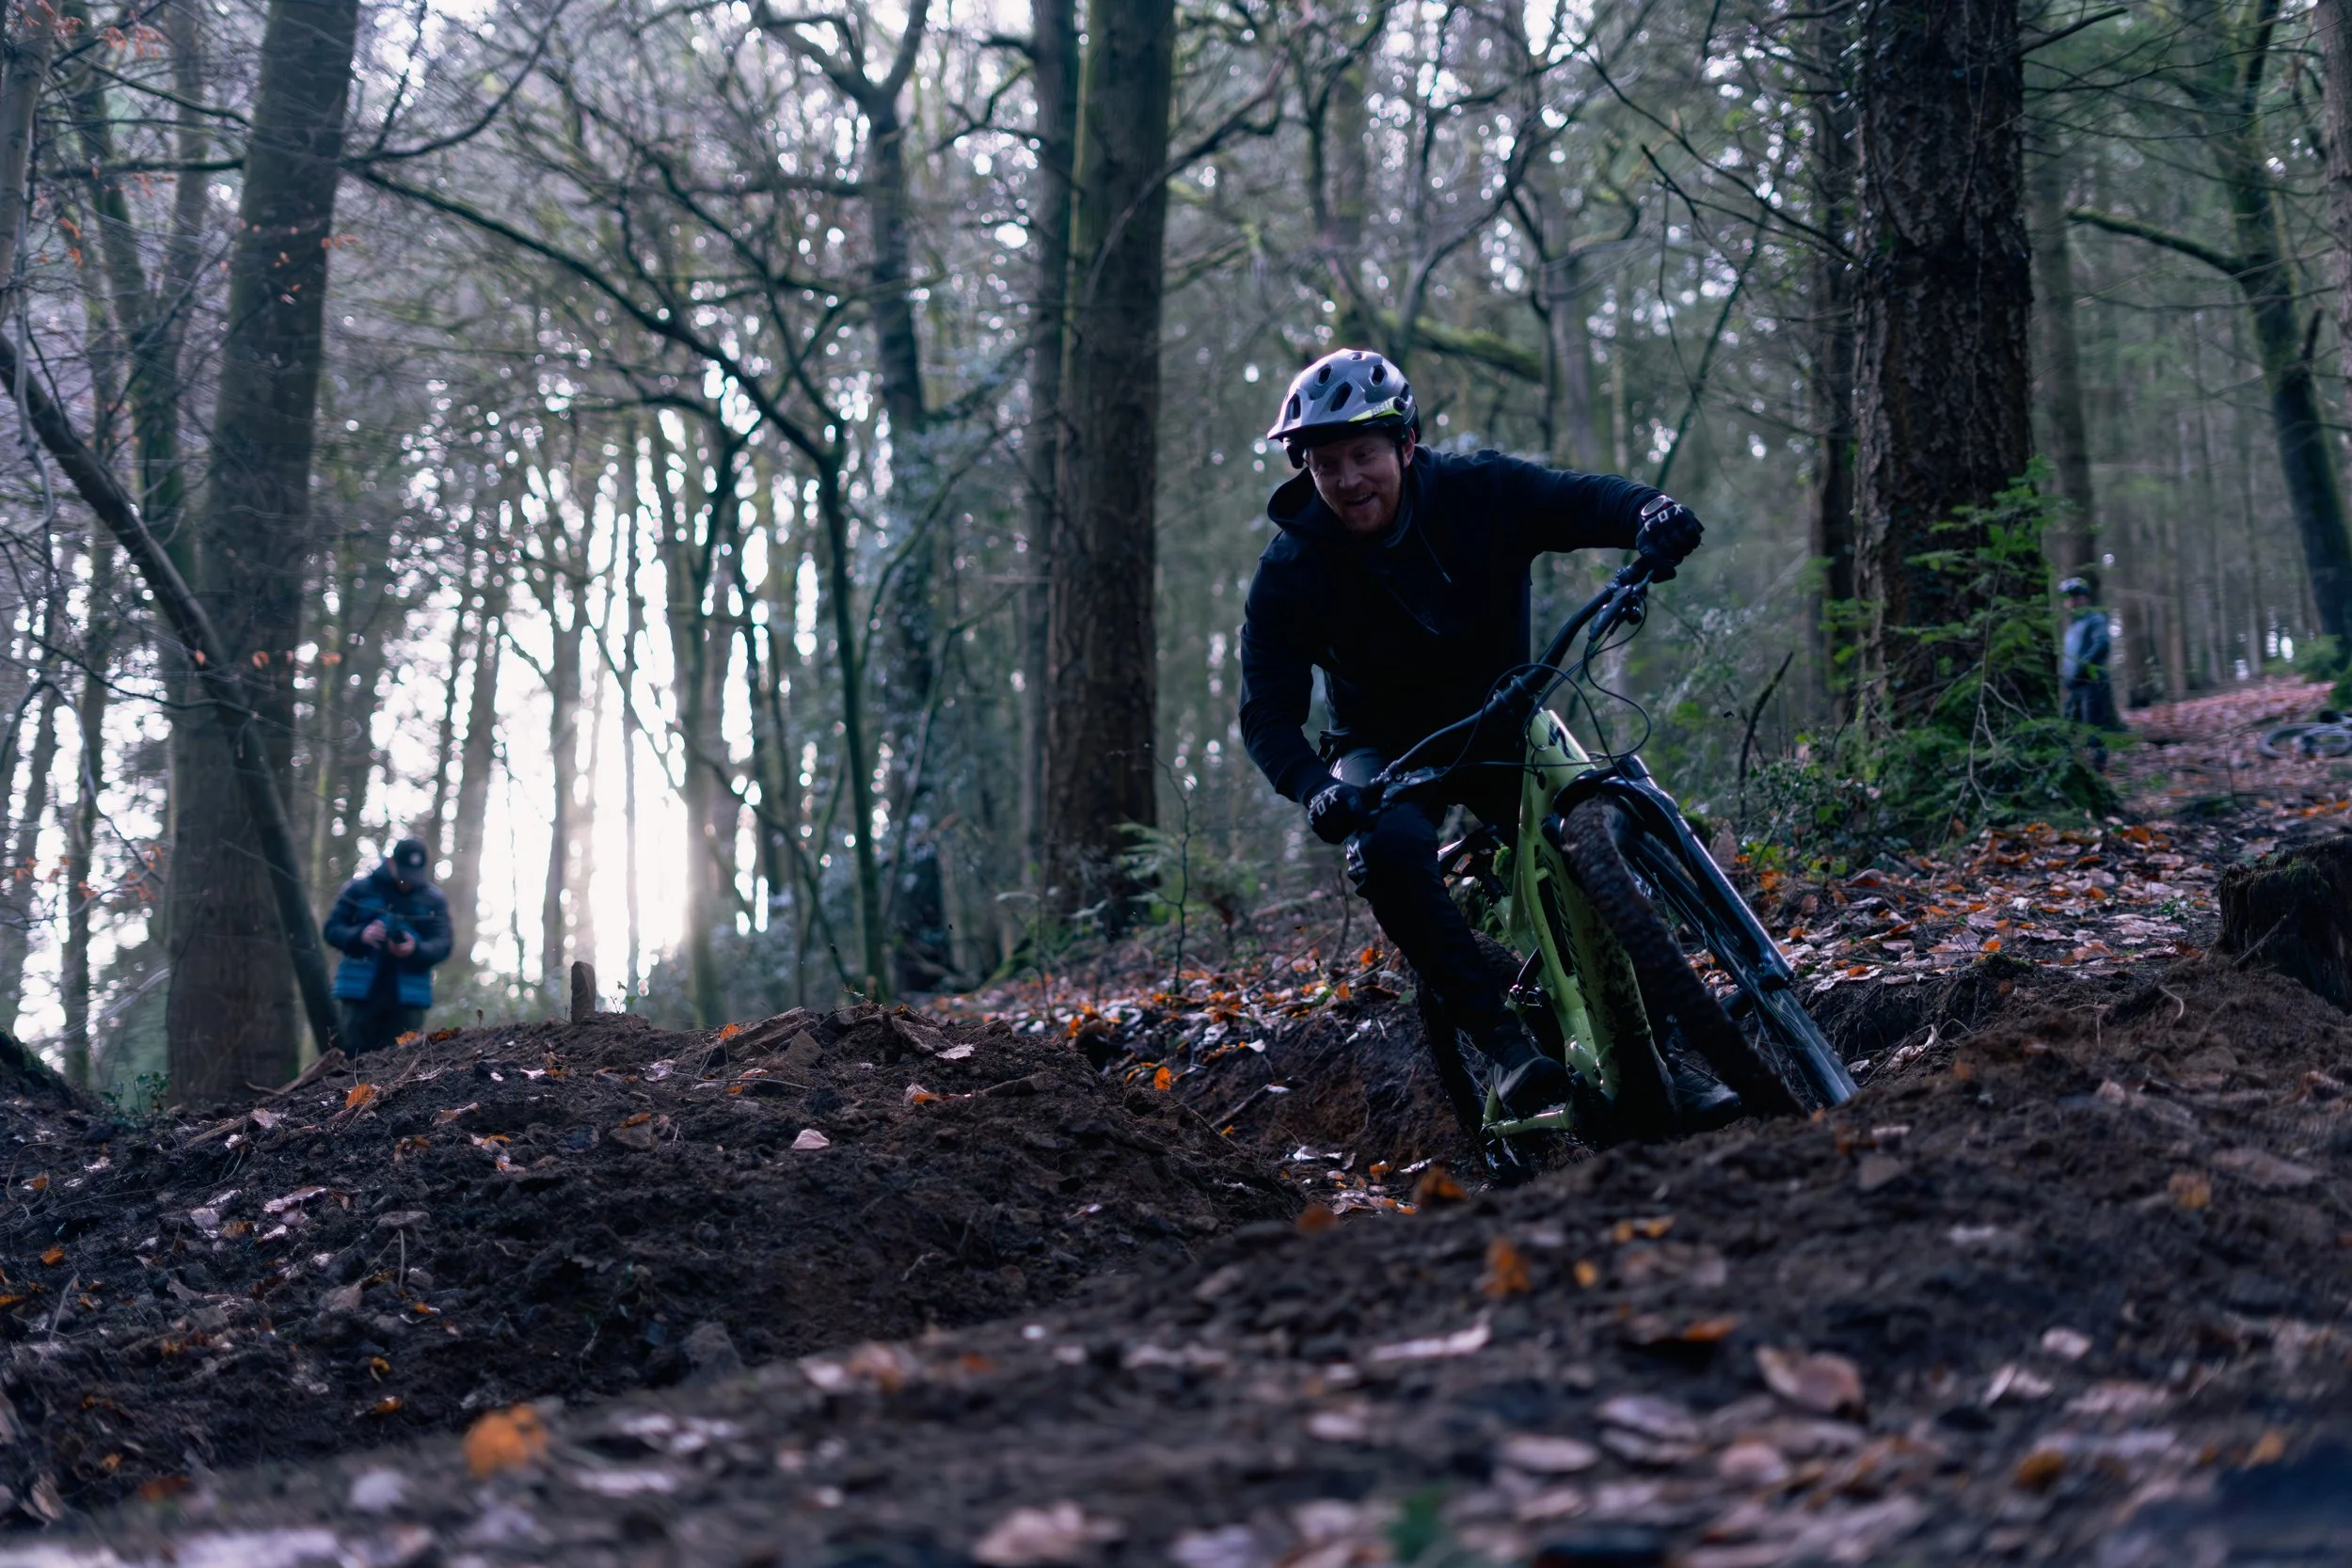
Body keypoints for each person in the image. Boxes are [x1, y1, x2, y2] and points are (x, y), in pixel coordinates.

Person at [1237, 348, 1716, 1121]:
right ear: (1306, 471)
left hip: (1505, 713)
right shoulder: (1290, 570)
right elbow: (1266, 710)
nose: (1349, 479)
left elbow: (1578, 499)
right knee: (1387, 851)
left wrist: (1648, 512)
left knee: (1593, 818)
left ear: (1407, 444)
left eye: (1364, 454)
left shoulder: (1478, 491)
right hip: (1387, 751)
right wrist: (1316, 787)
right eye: (1327, 465)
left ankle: (1666, 1059)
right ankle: (1504, 1048)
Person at [322, 837, 454, 1054]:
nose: (408, 882)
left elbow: (443, 943)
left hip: (409, 997)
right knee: (355, 1059)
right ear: (391, 863)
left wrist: (416, 949)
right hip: (359, 995)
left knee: (403, 1059)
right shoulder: (358, 890)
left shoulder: (433, 899)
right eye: (403, 875)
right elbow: (332, 930)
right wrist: (360, 935)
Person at [2058, 577, 2122, 769]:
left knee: (2093, 729)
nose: (2072, 601)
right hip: (2075, 685)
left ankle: (2098, 769)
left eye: (2076, 597)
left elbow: (2102, 644)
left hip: (2092, 684)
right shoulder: (2073, 625)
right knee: (2066, 728)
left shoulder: (2094, 619)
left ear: (2085, 598)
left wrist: (2083, 666)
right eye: (2068, 598)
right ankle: (2067, 765)